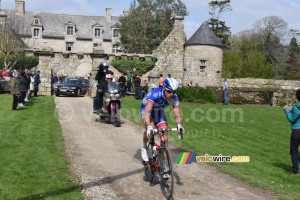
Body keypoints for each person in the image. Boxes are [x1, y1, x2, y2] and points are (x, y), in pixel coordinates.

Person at [140, 77, 185, 179]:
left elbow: (177, 115)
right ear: (164, 88)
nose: (172, 94)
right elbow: (147, 112)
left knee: (165, 135)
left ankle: (164, 167)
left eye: (174, 92)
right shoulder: (155, 94)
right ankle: (144, 146)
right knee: (150, 129)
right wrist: (149, 127)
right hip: (147, 110)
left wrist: (179, 125)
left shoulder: (174, 97)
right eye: (169, 91)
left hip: (159, 111)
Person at [284, 89, 300, 176]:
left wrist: (287, 110)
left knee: (293, 151)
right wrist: (291, 111)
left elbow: (292, 119)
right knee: (296, 151)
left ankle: (295, 171)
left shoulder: (297, 107)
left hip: (297, 132)